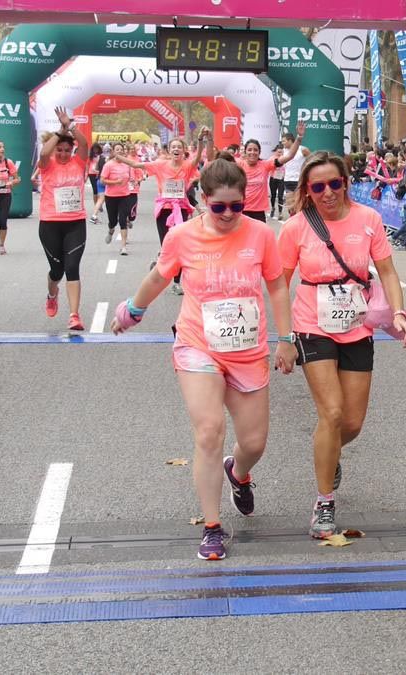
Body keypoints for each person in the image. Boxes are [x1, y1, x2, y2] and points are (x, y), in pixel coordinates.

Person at [111, 156, 296, 561]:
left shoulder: (262, 235)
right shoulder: (181, 236)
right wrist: (133, 310)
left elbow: (278, 287)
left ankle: (239, 473)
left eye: (237, 206)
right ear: (203, 199)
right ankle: (212, 527)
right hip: (198, 343)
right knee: (209, 431)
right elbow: (161, 276)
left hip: (248, 350)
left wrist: (286, 338)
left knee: (253, 442)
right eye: (219, 207)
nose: (229, 214)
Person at [276, 152, 406, 539]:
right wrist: (285, 338)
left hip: (357, 325)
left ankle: (330, 452)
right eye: (317, 187)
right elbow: (279, 285)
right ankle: (324, 503)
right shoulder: (296, 228)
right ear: (307, 190)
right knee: (332, 413)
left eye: (334, 184)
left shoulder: (368, 220)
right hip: (311, 323)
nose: (327, 192)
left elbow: (386, 270)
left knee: (351, 423)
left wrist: (399, 312)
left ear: (345, 183)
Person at [113, 129, 210, 295]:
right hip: (164, 210)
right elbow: (136, 165)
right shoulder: (159, 165)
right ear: (169, 150)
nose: (176, 149)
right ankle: (161, 258)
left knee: (180, 246)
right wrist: (117, 156)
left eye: (179, 147)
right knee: (167, 244)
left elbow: (199, 156)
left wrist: (201, 140)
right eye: (173, 147)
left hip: (181, 210)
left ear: (183, 150)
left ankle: (176, 282)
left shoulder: (187, 167)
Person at [37, 107, 91, 330]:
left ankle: (74, 315)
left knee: (72, 266)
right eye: (59, 150)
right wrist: (61, 130)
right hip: (50, 223)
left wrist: (72, 127)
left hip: (75, 223)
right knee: (57, 271)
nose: (63, 154)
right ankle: (52, 294)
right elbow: (43, 153)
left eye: (67, 151)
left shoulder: (78, 163)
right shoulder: (47, 165)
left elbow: (85, 145)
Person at [236, 124, 304, 222]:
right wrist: (208, 139)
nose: (252, 152)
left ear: (259, 152)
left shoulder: (265, 165)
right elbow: (212, 158)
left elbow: (289, 156)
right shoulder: (239, 164)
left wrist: (299, 138)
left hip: (258, 212)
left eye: (255, 150)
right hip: (241, 210)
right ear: (245, 152)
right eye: (249, 150)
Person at [99, 141, 134, 255]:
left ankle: (123, 247)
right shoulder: (108, 165)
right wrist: (115, 182)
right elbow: (102, 181)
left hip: (125, 195)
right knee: (113, 221)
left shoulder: (127, 164)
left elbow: (130, 178)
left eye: (121, 149)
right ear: (113, 152)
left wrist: (133, 181)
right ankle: (111, 230)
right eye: (117, 149)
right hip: (111, 196)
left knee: (123, 220)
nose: (120, 151)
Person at [280, 130, 310, 214]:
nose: (283, 143)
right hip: (287, 181)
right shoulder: (283, 151)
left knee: (300, 205)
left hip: (299, 181)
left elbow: (312, 161)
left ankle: (302, 222)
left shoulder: (303, 150)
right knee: (290, 207)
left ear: (290, 140)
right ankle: (292, 222)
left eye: (284, 141)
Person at [87, 143, 105, 224]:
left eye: (97, 149)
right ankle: (96, 205)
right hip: (91, 173)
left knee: (99, 191)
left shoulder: (101, 156)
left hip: (99, 173)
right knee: (95, 190)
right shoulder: (90, 156)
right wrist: (86, 174)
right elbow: (87, 165)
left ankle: (99, 204)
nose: (96, 150)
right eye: (94, 149)